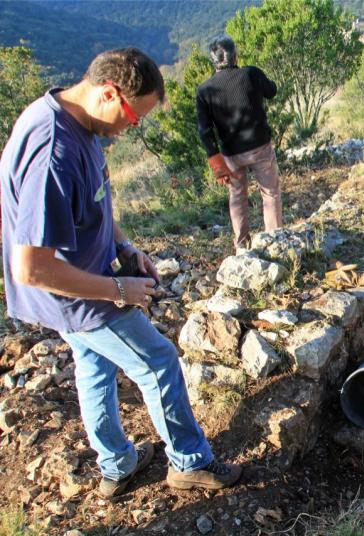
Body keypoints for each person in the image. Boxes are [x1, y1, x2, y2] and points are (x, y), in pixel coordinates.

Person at [0, 48, 242, 497]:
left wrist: (123, 246)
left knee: (94, 365)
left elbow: (95, 201)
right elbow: (30, 266)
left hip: (85, 282)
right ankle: (189, 461)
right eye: (133, 116)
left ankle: (116, 463)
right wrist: (118, 289)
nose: (133, 127)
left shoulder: (83, 122)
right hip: (73, 293)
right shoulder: (54, 150)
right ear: (109, 92)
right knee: (159, 361)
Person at [196, 35, 281, 252]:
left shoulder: (205, 91)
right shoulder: (251, 73)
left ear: (213, 61)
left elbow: (205, 131)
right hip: (260, 145)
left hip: (230, 154)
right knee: (270, 193)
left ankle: (242, 245)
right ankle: (274, 241)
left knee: (237, 197)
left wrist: (216, 163)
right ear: (235, 56)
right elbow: (272, 91)